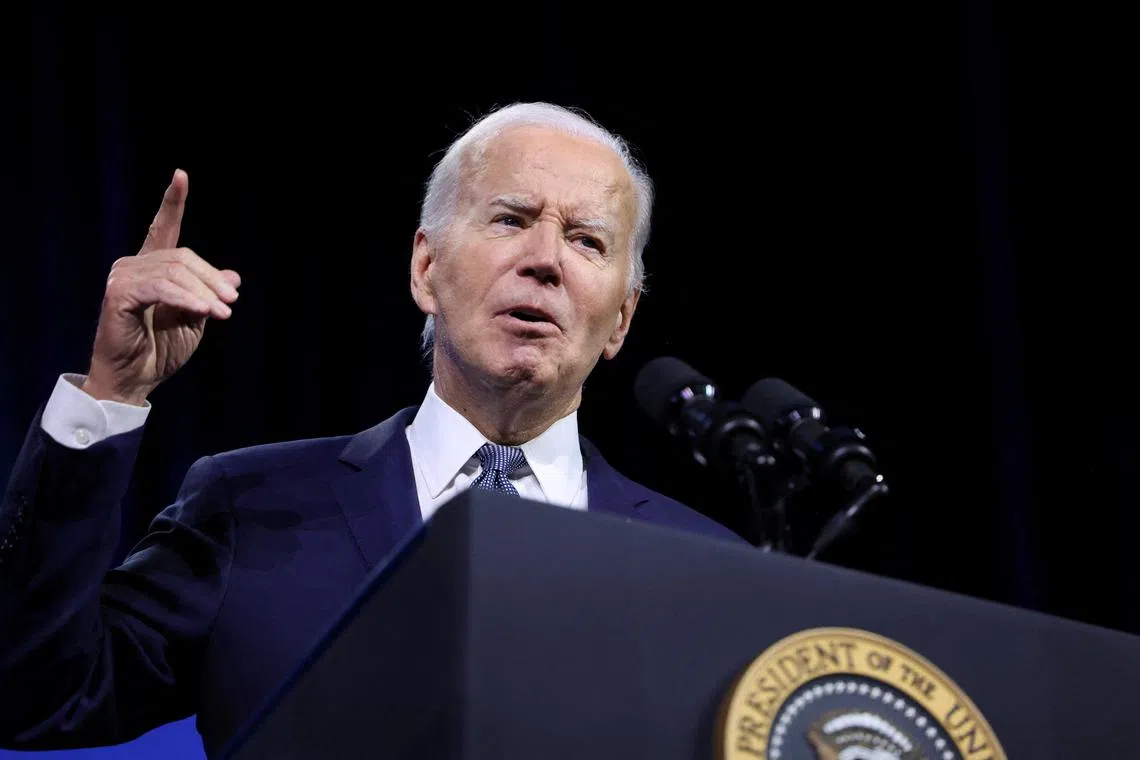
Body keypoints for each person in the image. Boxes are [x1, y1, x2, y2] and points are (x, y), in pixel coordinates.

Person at [0, 102, 745, 758]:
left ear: (621, 318)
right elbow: (37, 698)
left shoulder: (708, 570)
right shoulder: (249, 508)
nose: (546, 260)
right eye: (511, 219)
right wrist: (112, 391)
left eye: (587, 240)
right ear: (426, 269)